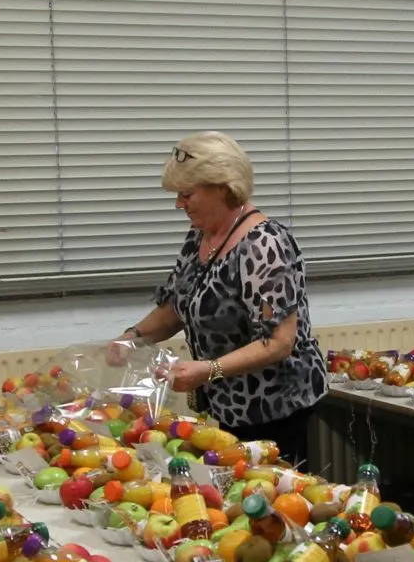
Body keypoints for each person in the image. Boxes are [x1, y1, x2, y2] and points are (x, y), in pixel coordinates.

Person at [115, 132, 327, 467]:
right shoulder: (201, 235)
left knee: (271, 499)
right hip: (229, 404)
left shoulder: (264, 244)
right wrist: (131, 339)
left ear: (223, 188)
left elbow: (278, 342)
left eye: (187, 194)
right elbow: (175, 307)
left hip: (273, 406)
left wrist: (208, 370)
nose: (178, 204)